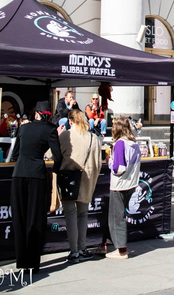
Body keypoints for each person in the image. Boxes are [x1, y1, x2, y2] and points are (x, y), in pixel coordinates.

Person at [10, 101, 62, 271]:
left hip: (19, 173)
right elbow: (58, 157)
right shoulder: (50, 130)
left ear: (37, 113)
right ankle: (33, 262)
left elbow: (15, 154)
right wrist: (54, 169)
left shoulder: (23, 128)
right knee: (35, 218)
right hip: (37, 174)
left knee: (20, 217)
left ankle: (21, 260)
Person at [59, 109, 103, 263]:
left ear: (70, 121)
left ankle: (74, 251)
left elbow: (52, 155)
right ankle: (82, 247)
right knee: (83, 214)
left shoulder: (65, 135)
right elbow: (98, 163)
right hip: (87, 178)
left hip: (68, 178)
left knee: (70, 213)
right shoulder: (93, 137)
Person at [102, 116, 141, 259]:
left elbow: (119, 168)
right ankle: (108, 244)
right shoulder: (134, 143)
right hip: (131, 183)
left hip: (119, 184)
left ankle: (121, 249)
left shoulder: (119, 144)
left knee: (117, 216)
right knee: (118, 214)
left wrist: (110, 162)